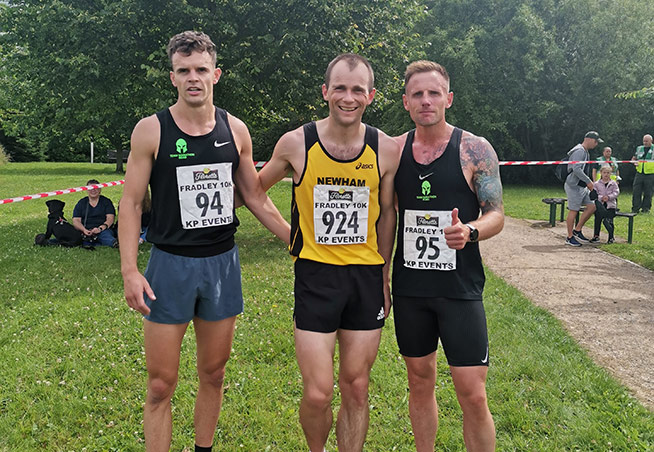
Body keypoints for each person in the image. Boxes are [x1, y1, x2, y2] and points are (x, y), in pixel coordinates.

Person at [118, 31, 290, 452]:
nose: (193, 78)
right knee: (161, 384)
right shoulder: (151, 130)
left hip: (221, 264)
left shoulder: (236, 129)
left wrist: (296, 240)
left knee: (213, 374)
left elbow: (253, 195)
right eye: (183, 71)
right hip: (169, 266)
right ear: (172, 77)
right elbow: (131, 202)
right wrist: (129, 270)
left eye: (200, 70)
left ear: (216, 73)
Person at [257, 54, 400, 452]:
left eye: (358, 90)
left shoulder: (384, 149)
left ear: (371, 96)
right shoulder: (296, 143)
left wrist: (385, 276)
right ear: (325, 92)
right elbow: (253, 191)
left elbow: (388, 214)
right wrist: (290, 235)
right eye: (340, 88)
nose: (348, 97)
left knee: (356, 387)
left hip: (366, 279)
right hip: (316, 277)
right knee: (318, 393)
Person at [391, 60, 504, 452]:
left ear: (448, 99)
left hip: (460, 289)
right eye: (418, 94)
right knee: (419, 382)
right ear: (406, 102)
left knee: (472, 393)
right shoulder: (394, 150)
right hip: (410, 289)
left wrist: (470, 231)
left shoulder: (475, 149)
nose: (426, 101)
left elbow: (496, 214)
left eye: (434, 93)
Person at [563, 131, 602, 246]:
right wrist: (589, 182)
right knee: (573, 210)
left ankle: (577, 230)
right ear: (589, 139)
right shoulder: (579, 151)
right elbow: (576, 169)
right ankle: (569, 237)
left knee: (592, 205)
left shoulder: (584, 151)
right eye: (595, 142)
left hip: (581, 186)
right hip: (574, 186)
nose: (596, 144)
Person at [72, 179, 117, 247]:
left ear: (100, 190)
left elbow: (110, 218)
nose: (93, 190)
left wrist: (100, 229)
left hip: (103, 230)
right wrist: (84, 230)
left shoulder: (106, 202)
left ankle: (114, 243)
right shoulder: (81, 203)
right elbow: (76, 221)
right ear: (86, 190)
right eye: (90, 188)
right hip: (85, 230)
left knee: (107, 237)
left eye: (96, 188)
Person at [590, 165, 619, 244]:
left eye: (608, 173)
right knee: (598, 219)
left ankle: (611, 237)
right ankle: (596, 235)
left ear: (611, 174)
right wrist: (601, 197)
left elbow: (616, 193)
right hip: (600, 204)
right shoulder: (596, 184)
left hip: (610, 205)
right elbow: (594, 195)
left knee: (608, 221)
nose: (606, 174)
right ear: (601, 173)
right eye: (604, 173)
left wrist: (609, 197)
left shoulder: (613, 183)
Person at [631, 134, 654, 213]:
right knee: (636, 191)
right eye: (644, 141)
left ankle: (646, 208)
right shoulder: (639, 148)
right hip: (639, 172)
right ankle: (635, 208)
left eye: (647, 141)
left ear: (651, 141)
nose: (645, 143)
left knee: (648, 192)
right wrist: (634, 162)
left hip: (650, 173)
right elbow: (634, 158)